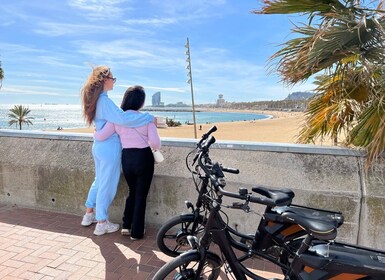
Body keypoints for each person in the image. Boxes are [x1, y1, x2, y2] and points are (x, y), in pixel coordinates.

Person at [80, 66, 154, 236]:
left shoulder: (97, 100)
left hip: (99, 146)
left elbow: (110, 124)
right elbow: (122, 119)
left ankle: (89, 214)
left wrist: (97, 135)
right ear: (104, 80)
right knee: (107, 185)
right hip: (110, 148)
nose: (114, 81)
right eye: (112, 78)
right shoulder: (105, 101)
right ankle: (101, 223)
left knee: (99, 180)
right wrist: (149, 117)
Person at [94, 85, 160, 240]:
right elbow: (156, 144)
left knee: (132, 192)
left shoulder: (118, 119)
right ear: (141, 102)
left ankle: (126, 225)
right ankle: (136, 232)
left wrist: (95, 132)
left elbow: (101, 136)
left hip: (127, 158)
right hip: (143, 158)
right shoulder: (146, 119)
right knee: (141, 196)